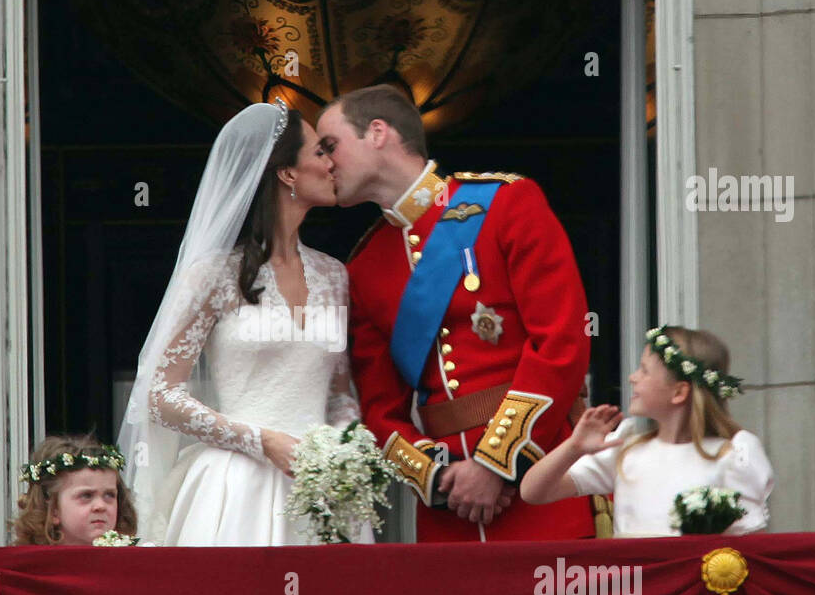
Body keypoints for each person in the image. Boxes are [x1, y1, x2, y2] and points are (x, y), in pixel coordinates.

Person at [318, 83, 593, 541]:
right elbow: (380, 409)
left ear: (378, 133)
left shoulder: (506, 203)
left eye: (331, 145)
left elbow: (562, 342)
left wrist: (495, 463)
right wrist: (440, 477)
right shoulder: (364, 266)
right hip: (451, 509)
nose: (324, 162)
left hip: (542, 480)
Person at [117, 99, 366, 546]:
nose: (332, 164)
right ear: (287, 173)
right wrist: (259, 440)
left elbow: (340, 393)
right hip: (237, 486)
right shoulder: (215, 275)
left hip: (323, 489)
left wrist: (346, 450)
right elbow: (159, 394)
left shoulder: (333, 274)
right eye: (319, 153)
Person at [520, 326, 774, 536]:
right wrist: (573, 448)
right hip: (637, 592)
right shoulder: (626, 447)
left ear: (679, 392)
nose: (632, 377)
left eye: (644, 370)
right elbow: (533, 492)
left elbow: (749, 545)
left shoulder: (731, 454)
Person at [13, 434, 147, 545]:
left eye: (109, 495)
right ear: (53, 510)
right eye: (86, 496)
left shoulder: (131, 563)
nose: (100, 506)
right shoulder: (30, 566)